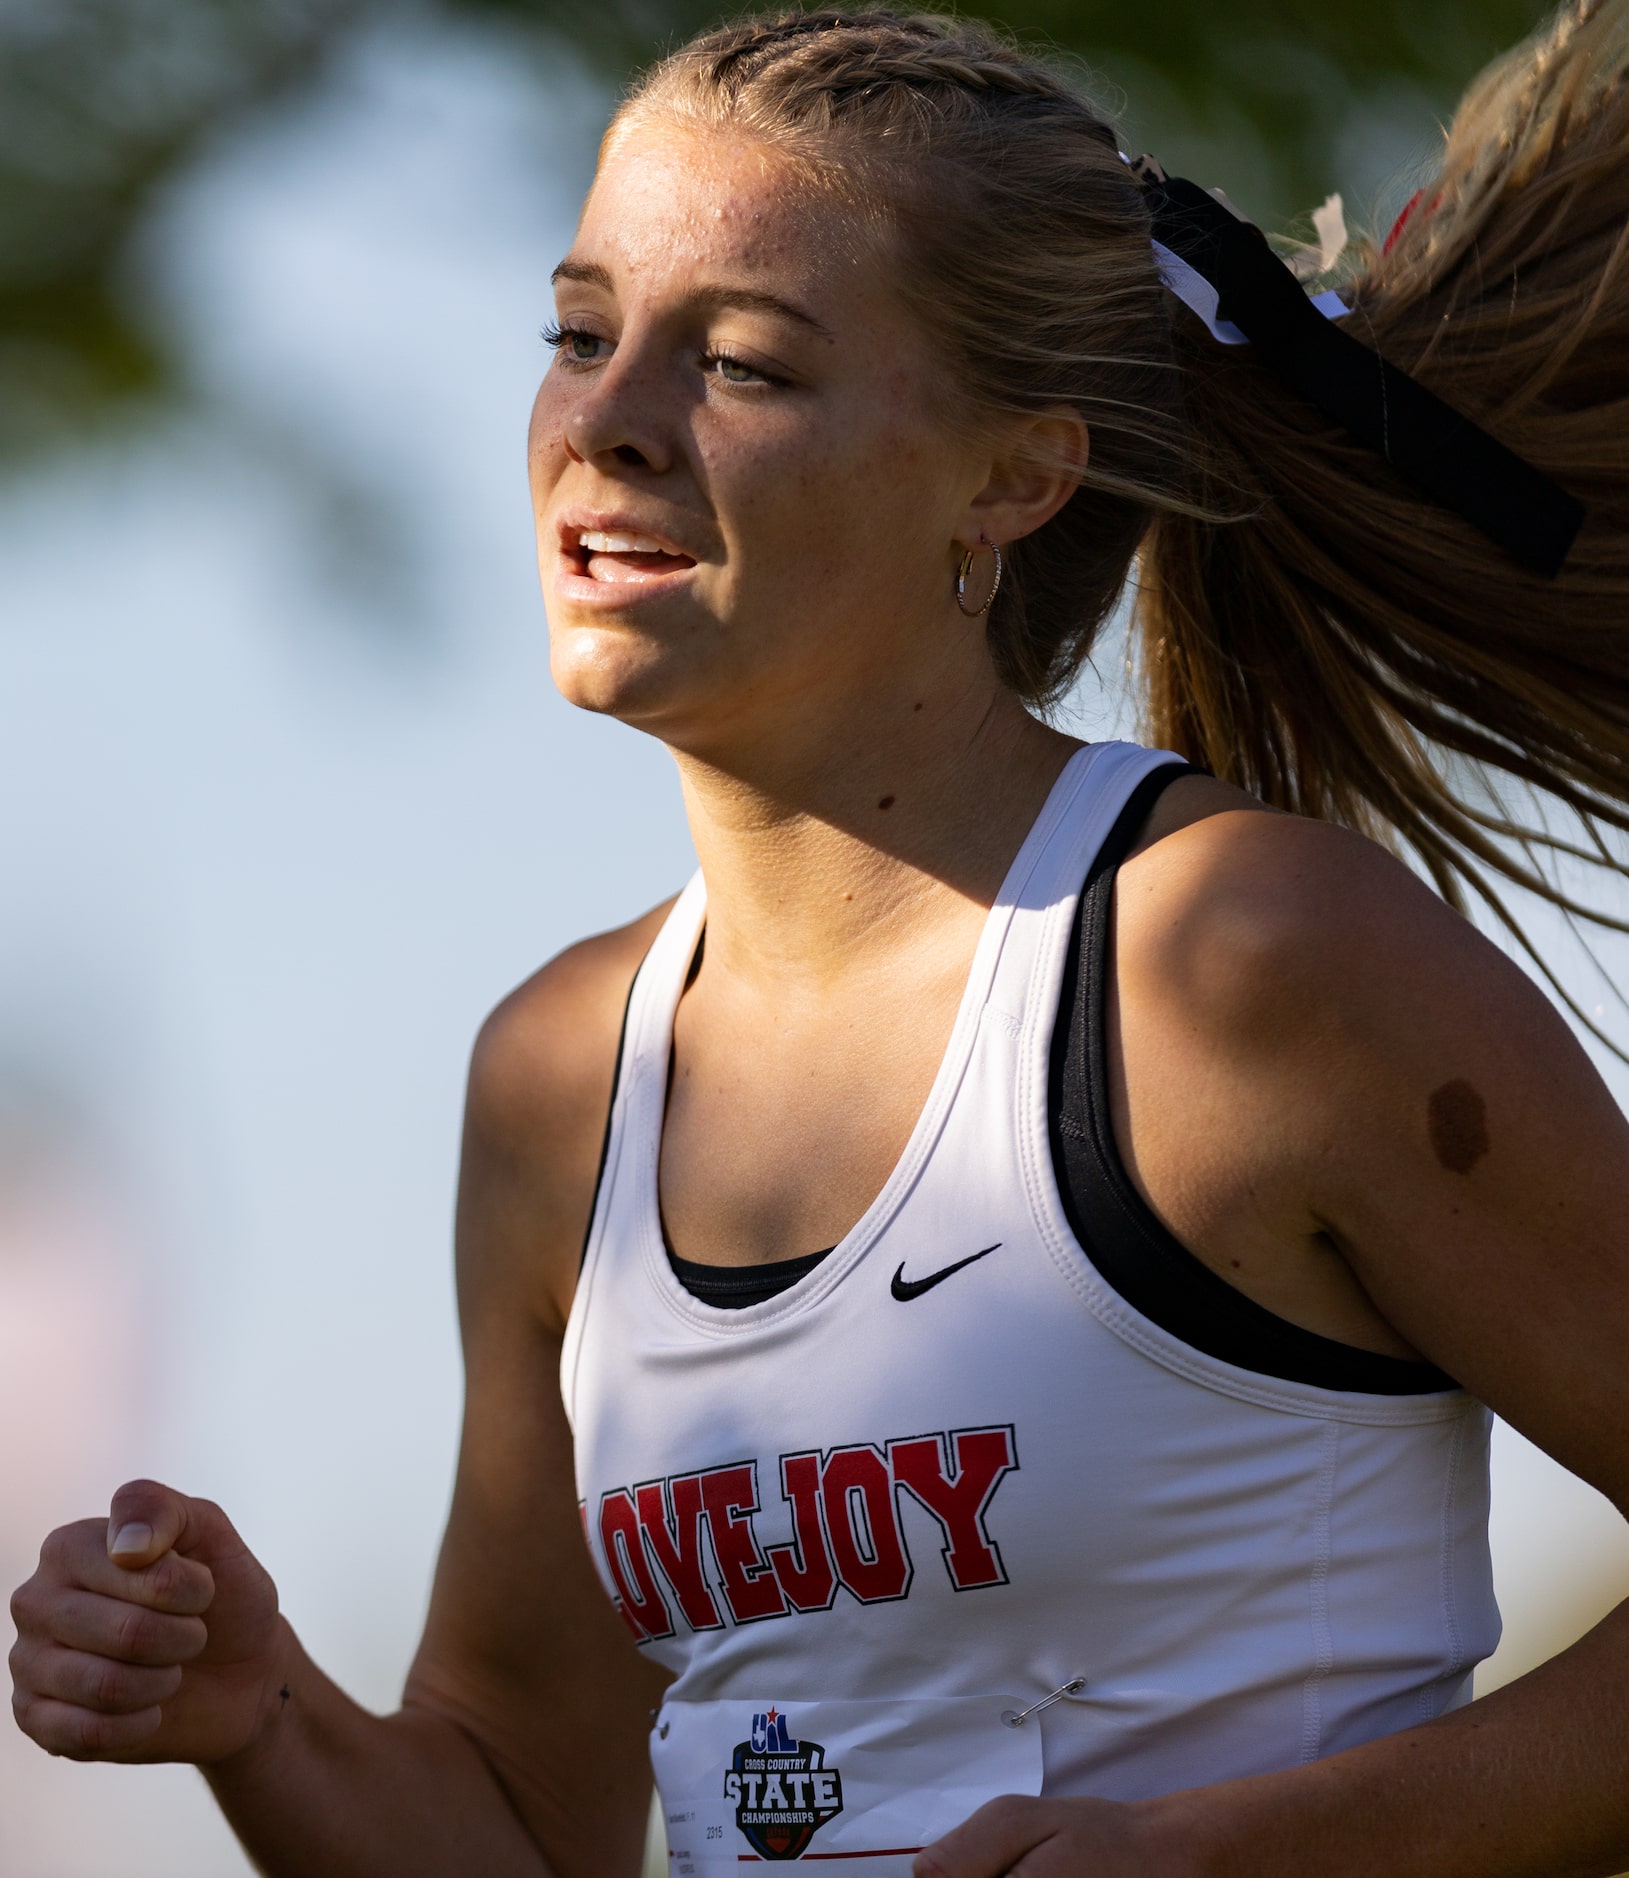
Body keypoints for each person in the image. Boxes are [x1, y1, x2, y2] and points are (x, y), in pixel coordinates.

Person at [10, 3, 1629, 1872]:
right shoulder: (560, 1079)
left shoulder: (1241, 962)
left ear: (1011, 478)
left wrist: (1234, 1854)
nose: (605, 421)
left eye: (745, 366)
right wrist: (261, 1712)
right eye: (578, 331)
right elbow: (521, 1812)